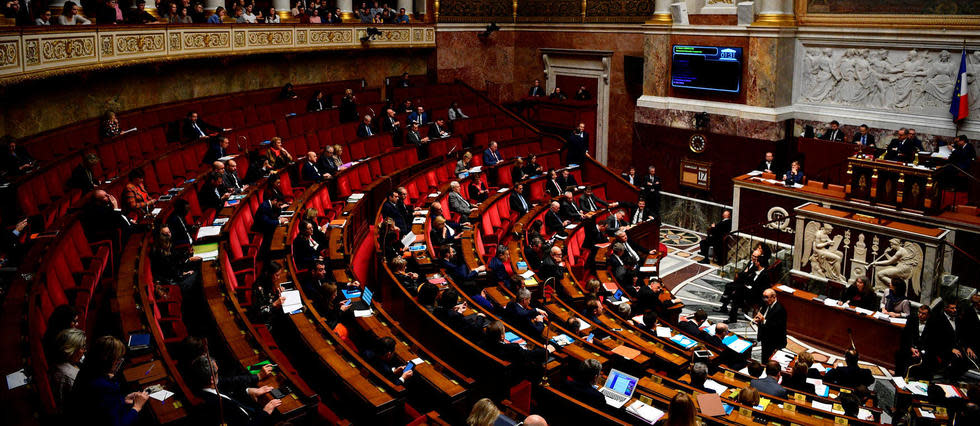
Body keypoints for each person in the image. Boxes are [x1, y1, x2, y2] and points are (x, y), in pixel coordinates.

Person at [67, 336, 148, 425]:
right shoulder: (104, 386)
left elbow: (100, 406)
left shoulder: (85, 371)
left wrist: (123, 400)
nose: (118, 362)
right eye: (118, 359)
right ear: (110, 361)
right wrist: (137, 407)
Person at [186, 355, 282, 426]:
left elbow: (229, 390)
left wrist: (249, 391)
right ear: (212, 379)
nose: (219, 375)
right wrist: (265, 413)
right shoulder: (215, 404)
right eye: (217, 372)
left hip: (248, 411)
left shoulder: (203, 383)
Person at [150, 225, 201, 292]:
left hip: (177, 273)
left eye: (169, 232)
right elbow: (170, 272)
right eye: (166, 234)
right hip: (174, 283)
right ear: (160, 237)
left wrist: (187, 255)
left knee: (198, 262)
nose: (169, 235)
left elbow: (176, 258)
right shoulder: (158, 253)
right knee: (198, 275)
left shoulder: (168, 243)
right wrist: (185, 273)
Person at [50, 328, 86, 409]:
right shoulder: (71, 377)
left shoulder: (57, 363)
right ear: (71, 349)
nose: (84, 350)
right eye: (83, 347)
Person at [249, 261, 286, 329]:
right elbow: (259, 312)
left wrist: (277, 293)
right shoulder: (258, 287)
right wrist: (274, 304)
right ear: (269, 273)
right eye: (277, 275)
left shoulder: (268, 281)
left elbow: (269, 298)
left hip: (273, 316)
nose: (279, 278)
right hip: (264, 322)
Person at [896, 304, 930, 378]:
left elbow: (930, 342)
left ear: (928, 315)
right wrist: (911, 348)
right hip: (911, 346)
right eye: (919, 312)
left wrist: (920, 352)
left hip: (924, 350)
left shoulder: (932, 324)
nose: (920, 315)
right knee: (900, 354)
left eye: (923, 314)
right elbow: (906, 336)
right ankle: (898, 378)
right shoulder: (912, 319)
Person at [43, 305, 81, 370]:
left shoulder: (63, 335)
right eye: (74, 321)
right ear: (65, 321)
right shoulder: (57, 341)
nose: (77, 324)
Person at [754, 289, 787, 362]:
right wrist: (758, 320)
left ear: (774, 297)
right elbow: (762, 316)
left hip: (774, 341)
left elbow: (777, 327)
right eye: (764, 297)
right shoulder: (766, 304)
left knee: (770, 361)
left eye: (766, 297)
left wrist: (763, 320)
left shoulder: (780, 309)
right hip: (765, 338)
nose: (764, 299)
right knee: (764, 358)